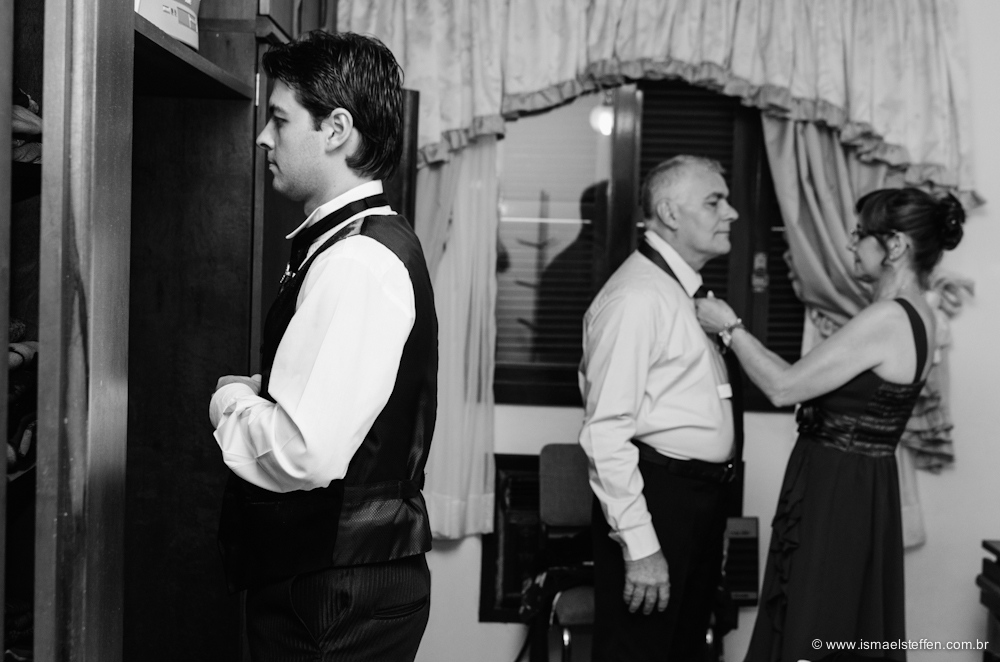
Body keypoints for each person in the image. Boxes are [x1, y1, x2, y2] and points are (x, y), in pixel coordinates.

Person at [207, 32, 437, 662]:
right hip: (338, 581)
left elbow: (303, 453)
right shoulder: (357, 243)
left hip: (334, 591)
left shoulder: (356, 260)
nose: (263, 137)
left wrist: (230, 402)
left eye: (280, 119)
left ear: (336, 129)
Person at [695, 188, 965, 662]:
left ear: (895, 245)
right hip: (863, 482)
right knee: (839, 618)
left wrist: (730, 327)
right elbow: (806, 381)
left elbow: (783, 388)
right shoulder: (917, 312)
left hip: (839, 488)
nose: (850, 245)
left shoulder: (888, 317)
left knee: (818, 617)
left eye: (860, 234)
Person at [578, 155, 742, 662]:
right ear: (670, 213)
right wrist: (641, 544)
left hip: (697, 502)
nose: (732, 212)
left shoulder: (680, 291)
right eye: (715, 201)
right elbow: (605, 431)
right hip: (660, 501)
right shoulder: (636, 297)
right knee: (639, 652)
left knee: (681, 651)